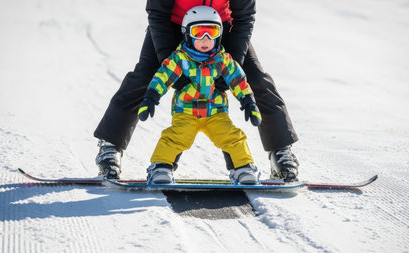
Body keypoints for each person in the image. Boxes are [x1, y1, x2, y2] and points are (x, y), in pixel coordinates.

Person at [94, 0, 299, 182]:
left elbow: (244, 16)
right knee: (145, 75)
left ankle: (280, 151)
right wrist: (171, 63)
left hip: (219, 29)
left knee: (255, 78)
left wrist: (232, 64)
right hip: (173, 27)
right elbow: (157, 12)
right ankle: (110, 146)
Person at [138, 6, 261, 185]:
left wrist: (249, 102)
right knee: (176, 137)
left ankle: (243, 169)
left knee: (232, 137)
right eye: (199, 32)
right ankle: (161, 167)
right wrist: (151, 98)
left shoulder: (223, 59)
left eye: (212, 32)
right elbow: (163, 76)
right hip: (186, 111)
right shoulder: (179, 58)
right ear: (187, 33)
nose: (206, 39)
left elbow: (238, 80)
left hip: (215, 112)